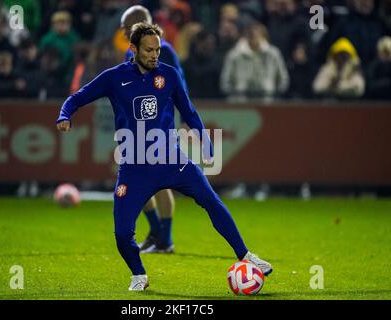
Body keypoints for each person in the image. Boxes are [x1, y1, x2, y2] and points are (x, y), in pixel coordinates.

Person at [56, 22, 272, 291]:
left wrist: (203, 139)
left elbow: (189, 111)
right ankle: (139, 275)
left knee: (211, 201)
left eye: (158, 49)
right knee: (122, 233)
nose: (155, 55)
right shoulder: (114, 78)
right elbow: (76, 98)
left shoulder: (168, 75)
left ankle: (247, 256)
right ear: (133, 49)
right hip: (134, 167)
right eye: (149, 50)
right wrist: (64, 115)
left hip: (172, 160)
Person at [120, 5, 186, 254]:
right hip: (139, 126)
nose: (124, 32)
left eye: (127, 27)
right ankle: (158, 233)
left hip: (160, 126)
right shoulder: (133, 52)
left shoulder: (164, 51)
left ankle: (164, 239)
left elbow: (179, 85)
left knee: (159, 181)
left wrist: (183, 116)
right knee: (137, 178)